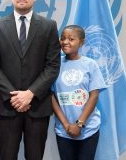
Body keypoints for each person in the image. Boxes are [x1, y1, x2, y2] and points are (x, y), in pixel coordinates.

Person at [0, 0, 61, 160]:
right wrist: (15, 97)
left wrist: (30, 93)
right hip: (7, 106)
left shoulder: (49, 26)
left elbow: (52, 65)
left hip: (37, 105)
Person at [51, 25, 106, 160]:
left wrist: (79, 124)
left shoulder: (90, 64)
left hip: (88, 129)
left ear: (82, 42)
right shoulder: (55, 65)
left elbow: (94, 96)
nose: (65, 42)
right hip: (64, 131)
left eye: (71, 39)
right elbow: (50, 96)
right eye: (63, 38)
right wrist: (66, 125)